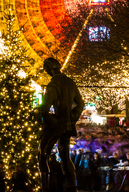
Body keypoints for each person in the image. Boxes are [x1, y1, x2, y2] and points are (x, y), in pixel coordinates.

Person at [38, 57, 84, 192]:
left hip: (57, 125)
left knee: (42, 153)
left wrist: (53, 123)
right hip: (68, 125)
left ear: (49, 69)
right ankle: (72, 186)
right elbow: (80, 104)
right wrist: (72, 118)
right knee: (65, 157)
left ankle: (44, 187)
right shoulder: (70, 83)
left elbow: (44, 108)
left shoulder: (53, 85)